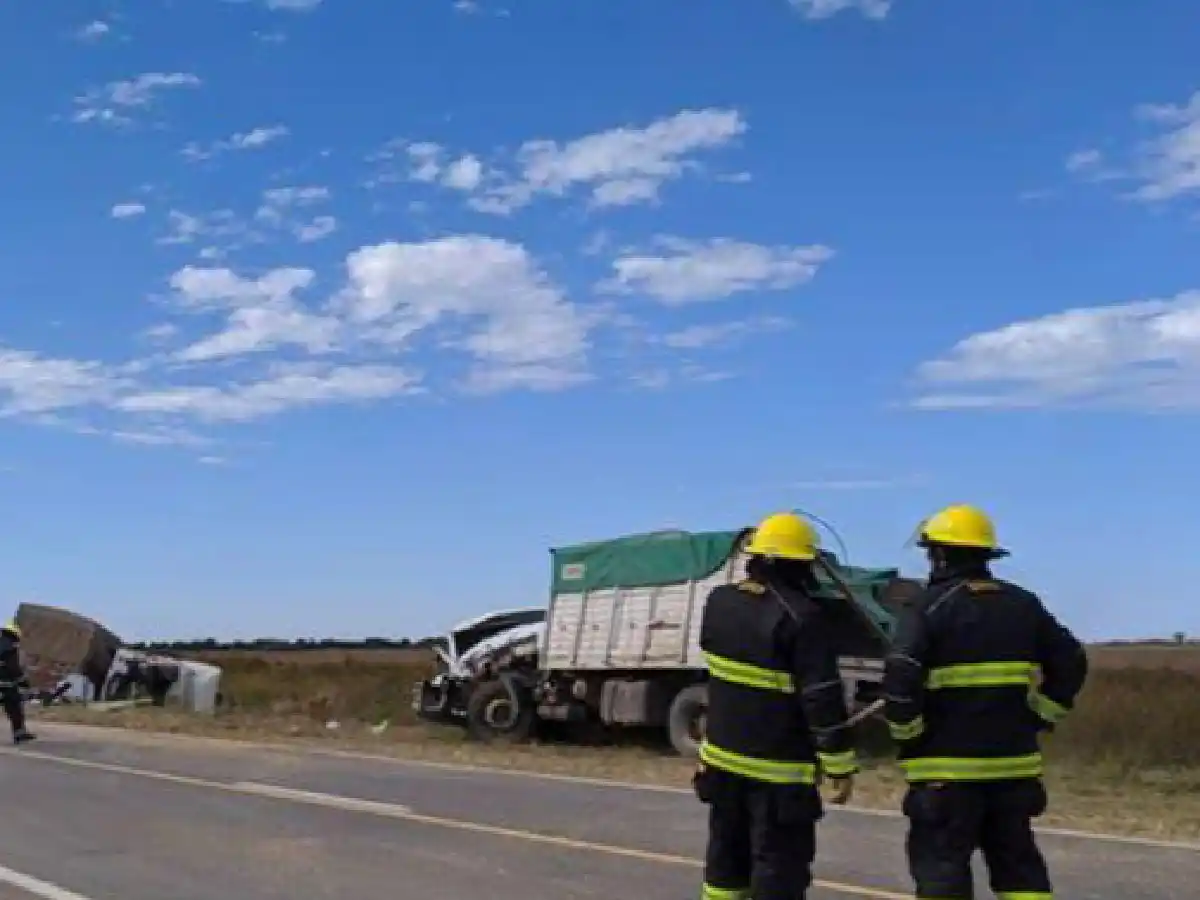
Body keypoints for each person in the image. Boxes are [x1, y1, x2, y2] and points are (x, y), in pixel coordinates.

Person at [883, 504, 1088, 900]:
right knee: (1020, 872)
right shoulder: (1022, 604)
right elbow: (1072, 661)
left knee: (943, 873)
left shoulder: (926, 608)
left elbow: (901, 676)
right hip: (1013, 770)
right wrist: (1041, 715)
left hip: (945, 773)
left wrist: (909, 733)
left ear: (940, 554)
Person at [695, 511, 858, 900]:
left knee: (724, 868)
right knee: (778, 872)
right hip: (780, 778)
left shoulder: (719, 602)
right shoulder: (804, 619)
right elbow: (821, 699)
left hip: (721, 764)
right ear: (802, 564)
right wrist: (839, 766)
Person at [0, 621, 36, 745]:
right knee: (15, 709)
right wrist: (24, 682)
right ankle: (19, 733)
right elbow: (13, 669)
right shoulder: (11, 649)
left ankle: (19, 733)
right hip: (7, 686)